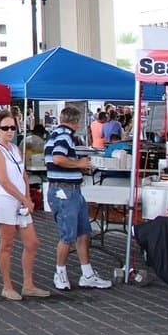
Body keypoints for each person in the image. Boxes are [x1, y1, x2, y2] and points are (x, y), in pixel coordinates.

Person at [44, 106, 112, 290]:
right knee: (68, 235)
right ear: (76, 121)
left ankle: (87, 272)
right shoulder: (65, 136)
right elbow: (58, 159)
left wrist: (76, 166)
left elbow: (56, 160)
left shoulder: (55, 134)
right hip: (65, 191)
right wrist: (79, 163)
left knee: (83, 232)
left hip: (69, 189)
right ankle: (60, 273)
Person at [0, 110, 49, 301]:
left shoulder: (14, 149)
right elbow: (4, 181)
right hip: (4, 200)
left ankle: (28, 284)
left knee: (32, 242)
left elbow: (22, 174)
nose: (9, 131)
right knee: (7, 243)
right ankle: (7, 286)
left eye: (12, 128)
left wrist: (27, 196)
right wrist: (24, 199)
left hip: (19, 200)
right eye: (5, 128)